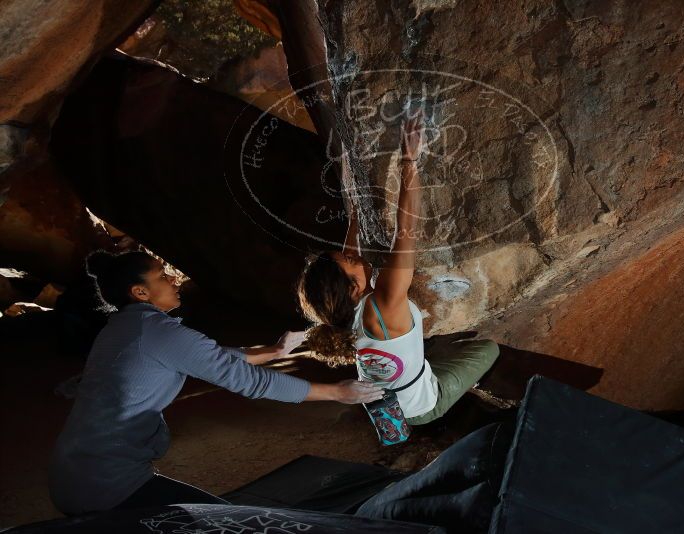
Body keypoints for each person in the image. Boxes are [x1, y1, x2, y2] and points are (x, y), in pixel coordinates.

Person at [49, 250, 383, 516]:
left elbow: (213, 357)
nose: (174, 279)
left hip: (75, 471)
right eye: (162, 276)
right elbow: (250, 382)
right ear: (140, 292)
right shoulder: (159, 333)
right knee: (230, 525)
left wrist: (277, 350)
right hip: (105, 481)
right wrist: (336, 392)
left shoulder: (124, 329)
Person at [297, 115, 500, 426]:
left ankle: (426, 359)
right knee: (488, 349)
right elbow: (406, 229)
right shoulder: (385, 304)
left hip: (387, 405)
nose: (355, 256)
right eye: (350, 260)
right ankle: (444, 386)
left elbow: (352, 249)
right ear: (353, 287)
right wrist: (409, 160)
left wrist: (355, 205)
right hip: (422, 408)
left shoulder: (340, 314)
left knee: (425, 351)